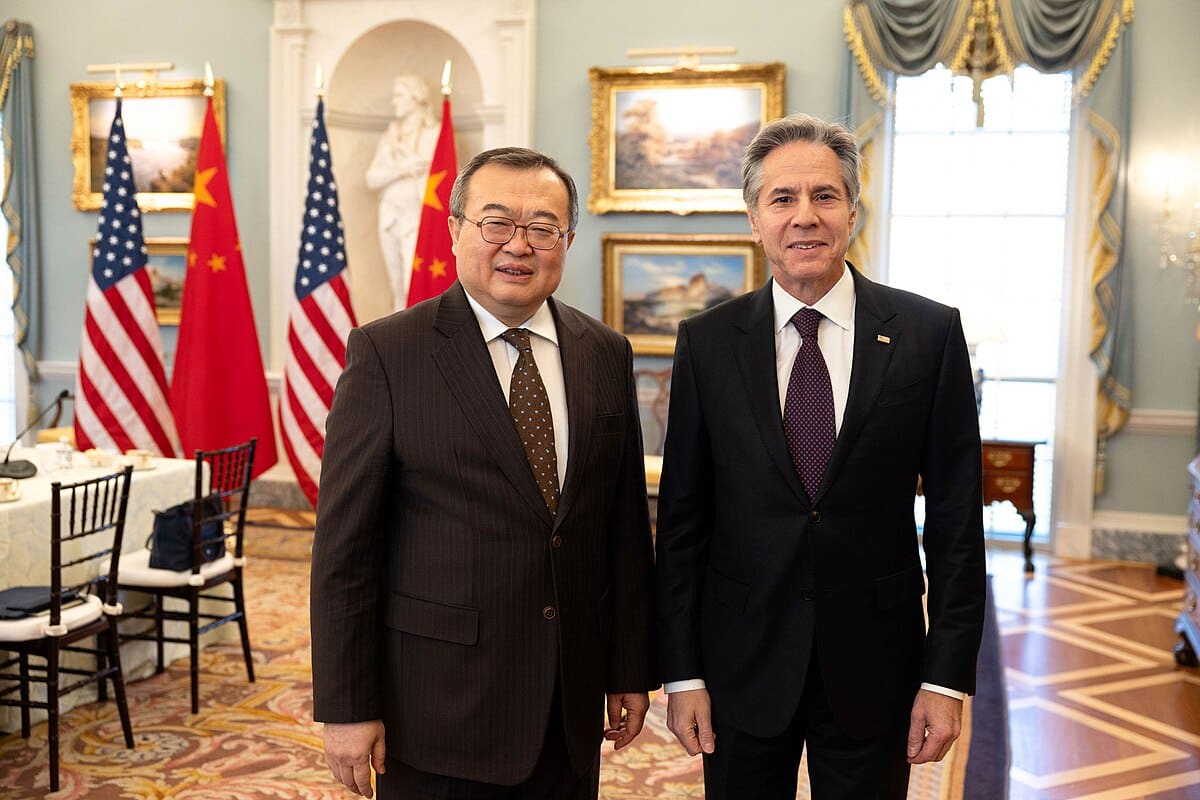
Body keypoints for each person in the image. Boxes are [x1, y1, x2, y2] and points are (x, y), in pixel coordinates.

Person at [654, 113, 986, 799]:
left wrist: (945, 677)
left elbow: (957, 523)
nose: (805, 216)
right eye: (782, 199)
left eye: (824, 196)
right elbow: (683, 523)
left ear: (853, 213)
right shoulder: (707, 343)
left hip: (877, 662)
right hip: (741, 661)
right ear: (754, 219)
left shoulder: (928, 335)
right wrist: (683, 672)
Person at [311, 146, 658, 800]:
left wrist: (629, 670)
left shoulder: (604, 353)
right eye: (495, 222)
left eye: (542, 227)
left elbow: (623, 535)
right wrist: (348, 704)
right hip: (438, 710)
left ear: (568, 240)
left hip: (567, 710)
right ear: (455, 230)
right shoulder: (388, 353)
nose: (517, 245)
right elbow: (343, 551)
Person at [365, 74, 440, 310]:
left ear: (416, 98)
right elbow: (371, 178)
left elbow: (448, 179)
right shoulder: (390, 137)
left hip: (419, 217)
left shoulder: (435, 134)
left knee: (414, 282)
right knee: (396, 285)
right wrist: (401, 169)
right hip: (390, 215)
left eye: (399, 95)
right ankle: (398, 339)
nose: (394, 102)